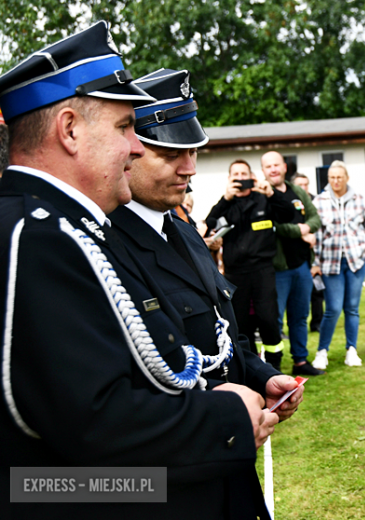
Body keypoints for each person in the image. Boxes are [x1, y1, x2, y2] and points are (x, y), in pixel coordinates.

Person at [0, 22, 286, 520]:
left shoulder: (63, 227)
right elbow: (87, 440)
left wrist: (252, 381)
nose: (135, 147)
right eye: (124, 127)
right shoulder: (43, 237)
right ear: (69, 129)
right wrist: (227, 418)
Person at [108, 68, 303, 518]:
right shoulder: (107, 246)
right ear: (130, 150)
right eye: (171, 152)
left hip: (228, 468)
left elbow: (221, 334)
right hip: (175, 481)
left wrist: (260, 375)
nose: (190, 167)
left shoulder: (183, 230)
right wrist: (225, 405)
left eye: (192, 151)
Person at [206, 159, 296, 368]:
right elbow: (209, 223)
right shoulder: (226, 205)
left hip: (262, 271)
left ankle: (275, 365)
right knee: (242, 325)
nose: (240, 179)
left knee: (268, 321)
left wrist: (271, 193)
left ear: (252, 177)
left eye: (243, 174)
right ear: (229, 179)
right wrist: (225, 199)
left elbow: (289, 213)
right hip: (235, 275)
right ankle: (252, 367)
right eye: (235, 175)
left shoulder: (263, 198)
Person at [310, 161, 365, 369]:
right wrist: (315, 262)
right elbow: (316, 235)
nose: (335, 181)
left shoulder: (360, 200)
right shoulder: (319, 202)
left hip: (356, 262)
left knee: (352, 308)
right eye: (332, 177)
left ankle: (351, 350)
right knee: (332, 308)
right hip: (330, 263)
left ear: (346, 178)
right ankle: (322, 352)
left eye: (339, 177)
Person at [262, 151, 324, 376]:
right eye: (268, 166)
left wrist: (308, 228)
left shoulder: (297, 191)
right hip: (278, 270)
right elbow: (273, 226)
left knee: (299, 317)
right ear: (263, 171)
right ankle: (271, 368)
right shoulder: (263, 196)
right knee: (274, 320)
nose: (273, 169)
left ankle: (300, 361)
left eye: (276, 164)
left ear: (284, 167)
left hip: (301, 267)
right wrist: (300, 231)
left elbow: (315, 217)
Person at [293, 173, 324, 333]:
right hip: (296, 258)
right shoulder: (289, 202)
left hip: (315, 256)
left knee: (318, 292)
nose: (304, 188)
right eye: (300, 185)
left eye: (306, 184)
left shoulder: (316, 202)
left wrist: (316, 262)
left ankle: (317, 323)